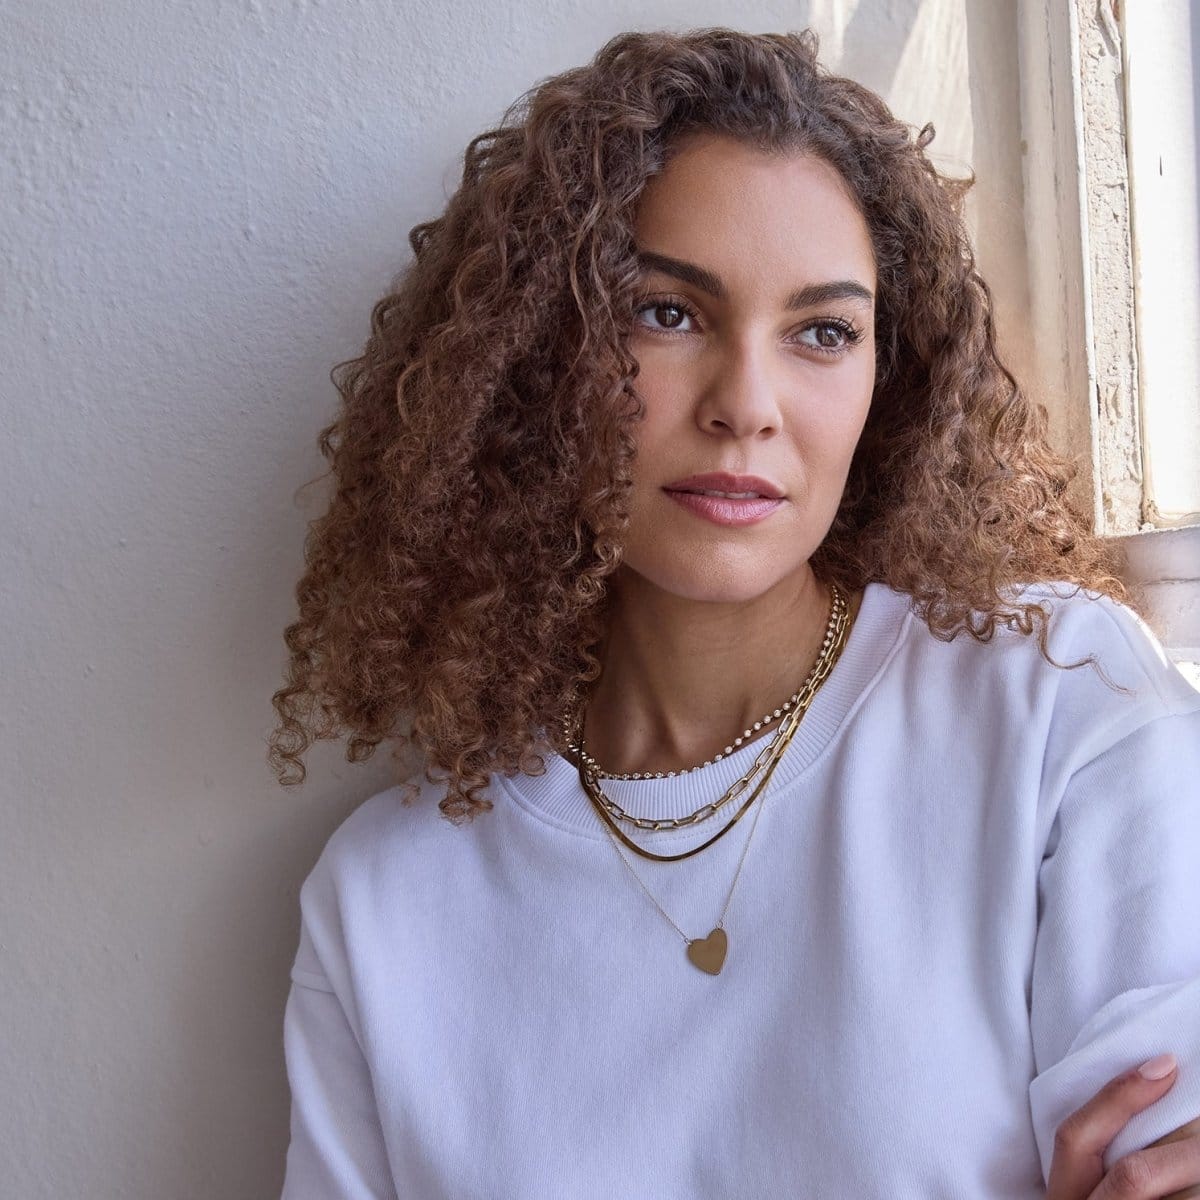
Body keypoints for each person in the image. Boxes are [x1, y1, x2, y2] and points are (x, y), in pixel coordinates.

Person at [270, 27, 1200, 1199]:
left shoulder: (1062, 708)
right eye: (667, 313)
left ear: (889, 380)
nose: (746, 407)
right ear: (538, 357)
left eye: (823, 331)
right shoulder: (387, 905)